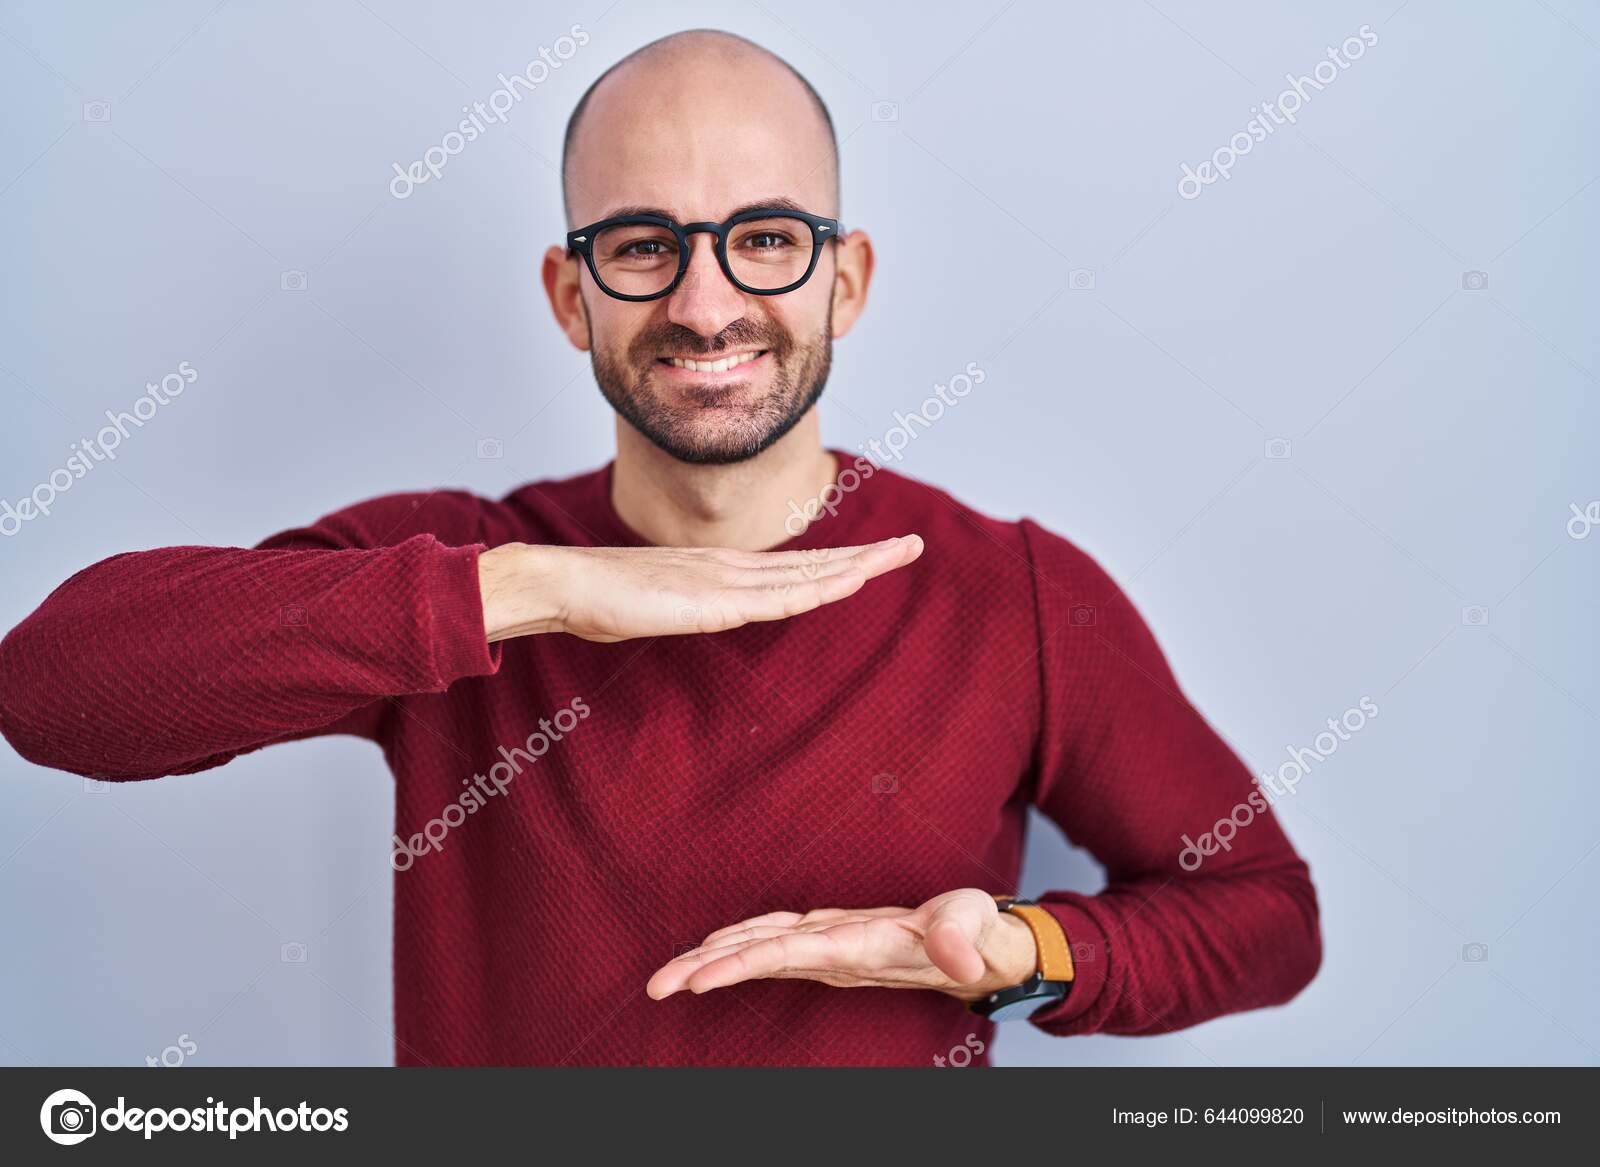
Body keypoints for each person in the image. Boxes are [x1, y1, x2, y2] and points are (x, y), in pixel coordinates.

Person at [0, 30, 1319, 1066]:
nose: (703, 302)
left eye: (763, 238)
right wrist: (530, 589)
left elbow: (1266, 918)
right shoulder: (463, 564)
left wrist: (1028, 948)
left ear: (844, 279)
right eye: (642, 246)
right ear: (571, 297)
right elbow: (55, 691)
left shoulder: (1014, 594)